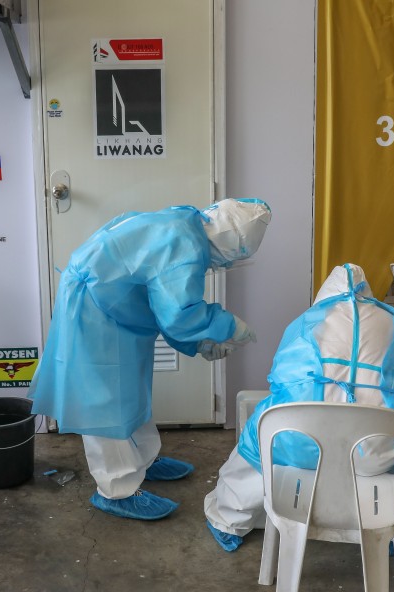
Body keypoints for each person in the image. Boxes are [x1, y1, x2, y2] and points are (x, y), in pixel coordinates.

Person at [30, 198, 272, 521]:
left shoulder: (186, 224)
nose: (225, 265)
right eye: (233, 257)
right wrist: (227, 327)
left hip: (115, 305)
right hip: (94, 306)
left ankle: (143, 458)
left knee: (131, 384)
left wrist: (201, 342)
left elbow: (167, 307)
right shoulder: (184, 245)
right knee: (104, 399)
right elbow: (178, 315)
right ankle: (116, 489)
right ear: (231, 244)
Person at [204, 264, 394, 552]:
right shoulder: (392, 323)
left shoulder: (308, 324)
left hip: (303, 448)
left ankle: (228, 520)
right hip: (375, 451)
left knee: (258, 439)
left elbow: (281, 379)